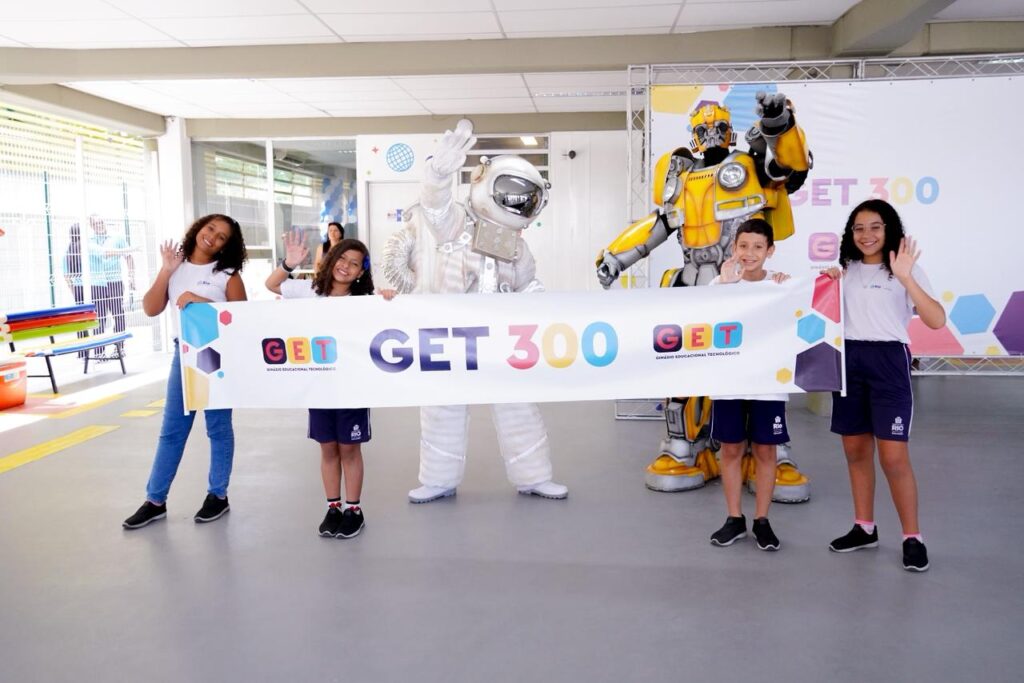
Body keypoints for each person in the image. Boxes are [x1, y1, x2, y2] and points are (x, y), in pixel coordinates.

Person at [594, 92, 812, 502]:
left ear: (730, 130)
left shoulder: (750, 164)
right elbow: (659, 224)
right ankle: (684, 446)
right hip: (694, 287)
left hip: (748, 290)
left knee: (760, 369)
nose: (711, 133)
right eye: (702, 128)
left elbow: (790, 166)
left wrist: (778, 122)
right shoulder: (679, 174)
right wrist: (614, 258)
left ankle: (770, 450)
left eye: (719, 127)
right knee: (683, 371)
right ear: (692, 134)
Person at [382, 119, 568, 503]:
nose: (515, 202)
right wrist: (437, 174)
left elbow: (526, 282)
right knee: (442, 408)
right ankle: (438, 479)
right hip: (449, 333)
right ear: (485, 184)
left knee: (518, 406)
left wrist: (539, 300)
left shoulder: (517, 247)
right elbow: (434, 205)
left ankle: (533, 476)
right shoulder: (456, 224)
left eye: (524, 197)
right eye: (509, 191)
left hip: (500, 336)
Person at [823, 199, 945, 572]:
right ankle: (864, 527)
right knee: (856, 452)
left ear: (888, 229)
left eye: (875, 227)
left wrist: (906, 276)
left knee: (894, 457)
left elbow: (937, 320)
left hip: (888, 362)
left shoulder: (905, 270)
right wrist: (818, 283)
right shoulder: (844, 271)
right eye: (859, 228)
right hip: (848, 362)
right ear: (851, 234)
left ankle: (912, 537)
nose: (867, 235)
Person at [122, 214, 248, 529]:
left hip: (215, 354)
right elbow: (151, 308)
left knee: (218, 428)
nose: (213, 238)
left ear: (226, 246)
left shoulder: (228, 275)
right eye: (210, 229)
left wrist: (200, 301)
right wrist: (166, 271)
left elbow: (244, 320)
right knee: (172, 430)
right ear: (198, 228)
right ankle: (155, 500)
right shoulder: (175, 267)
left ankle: (217, 495)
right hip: (184, 353)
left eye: (221, 237)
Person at [266, 231, 395, 539]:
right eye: (342, 259)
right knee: (328, 448)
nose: (346, 267)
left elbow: (393, 321)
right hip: (319, 385)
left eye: (354, 264)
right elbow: (271, 285)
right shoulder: (309, 290)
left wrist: (389, 300)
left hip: (352, 386)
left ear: (361, 272)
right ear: (332, 259)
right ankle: (333, 506)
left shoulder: (364, 301)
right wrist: (289, 264)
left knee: (349, 448)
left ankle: (354, 509)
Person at [706, 218, 791, 550]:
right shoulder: (718, 285)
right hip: (729, 382)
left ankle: (762, 520)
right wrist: (727, 287)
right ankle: (734, 518)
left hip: (768, 383)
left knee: (766, 450)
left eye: (758, 247)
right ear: (734, 248)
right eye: (744, 246)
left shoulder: (782, 286)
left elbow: (801, 315)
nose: (749, 253)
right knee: (730, 449)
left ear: (770, 251)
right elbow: (707, 327)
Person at [86, 214, 136, 356]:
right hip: (97, 284)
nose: (99, 225)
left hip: (115, 281)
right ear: (91, 226)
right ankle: (99, 351)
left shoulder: (117, 238)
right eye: (95, 223)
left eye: (101, 222)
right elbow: (105, 254)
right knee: (99, 318)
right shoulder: (89, 241)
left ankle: (119, 348)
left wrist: (131, 276)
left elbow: (128, 257)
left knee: (118, 314)